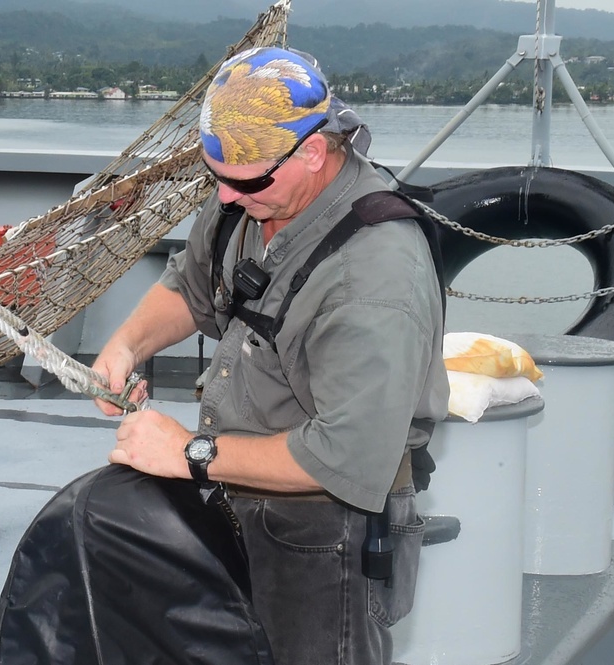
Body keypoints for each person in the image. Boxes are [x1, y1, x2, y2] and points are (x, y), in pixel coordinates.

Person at [91, 46, 449, 665]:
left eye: (246, 181)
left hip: (326, 537)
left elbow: (346, 458)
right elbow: (192, 286)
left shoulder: (375, 276)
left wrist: (189, 453)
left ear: (314, 149)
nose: (227, 198)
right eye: (216, 178)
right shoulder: (253, 191)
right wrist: (126, 345)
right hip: (233, 499)